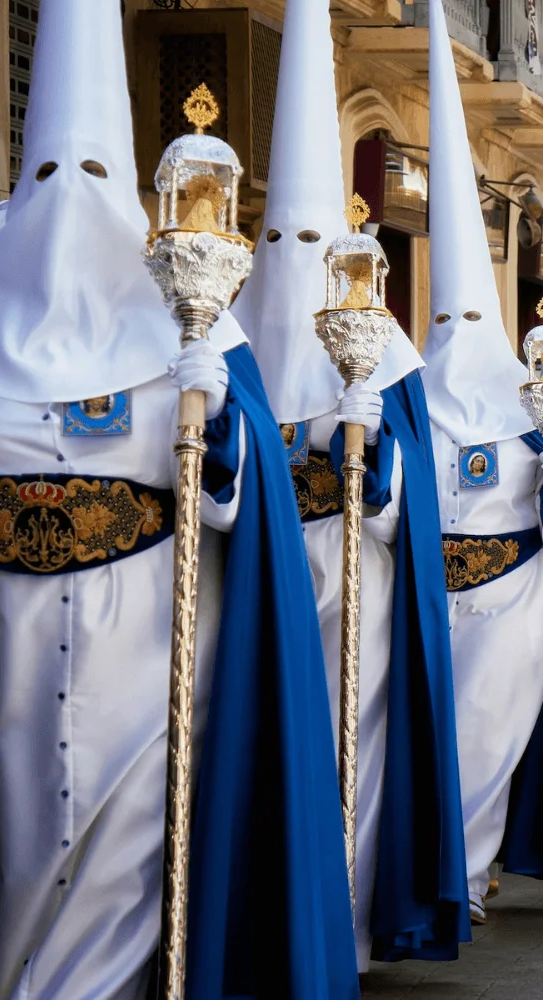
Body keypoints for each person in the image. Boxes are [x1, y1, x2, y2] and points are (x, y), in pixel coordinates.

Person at [0, 2, 359, 998]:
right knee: (12, 840)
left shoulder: (194, 322)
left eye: (96, 174)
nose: (75, 203)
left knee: (132, 847)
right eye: (57, 175)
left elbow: (244, 503)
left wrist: (221, 419)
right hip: (2, 641)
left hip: (147, 635)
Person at [232, 0, 470, 971]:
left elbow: (406, 509)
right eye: (275, 246)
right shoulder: (221, 339)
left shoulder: (393, 358)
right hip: (247, 590)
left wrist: (372, 457)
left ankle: (355, 929)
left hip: (353, 591)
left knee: (355, 753)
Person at [422, 0, 543, 926]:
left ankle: (468, 877)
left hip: (513, 595)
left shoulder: (523, 408)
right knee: (425, 742)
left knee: (492, 742)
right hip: (426, 598)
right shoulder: (406, 403)